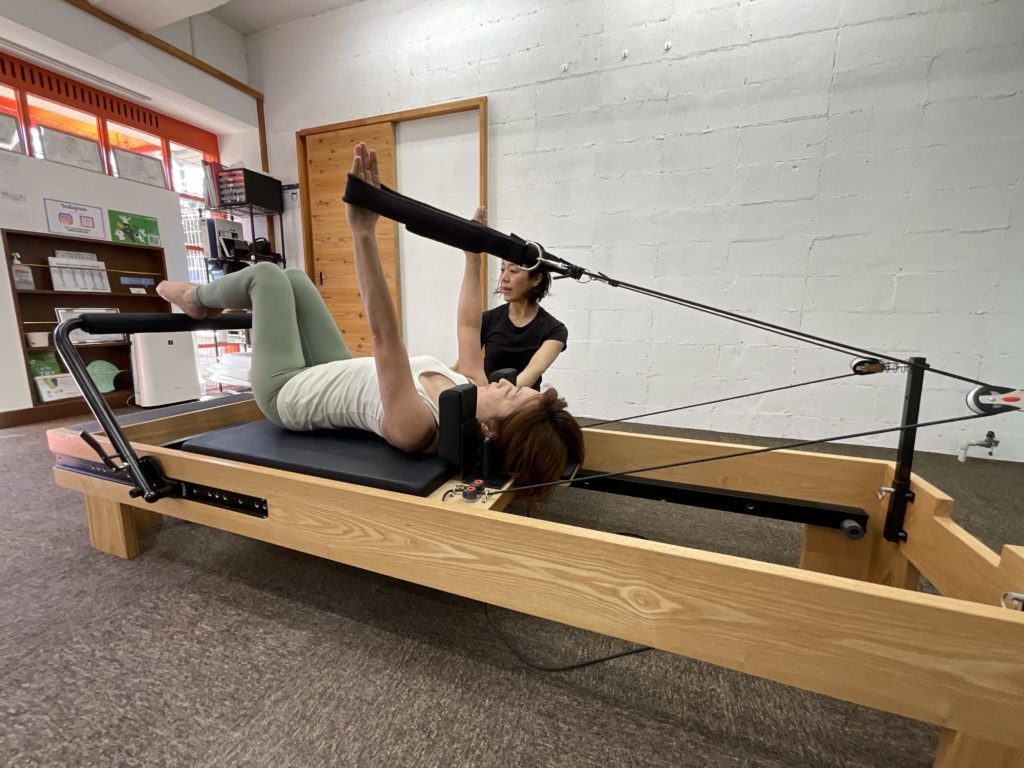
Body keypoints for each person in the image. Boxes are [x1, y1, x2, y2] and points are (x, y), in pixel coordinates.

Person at [156, 143, 583, 502]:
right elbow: (470, 327)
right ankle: (209, 299)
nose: (507, 383)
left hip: (286, 392)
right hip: (333, 368)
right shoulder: (470, 386)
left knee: (266, 276)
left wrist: (362, 233)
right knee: (296, 279)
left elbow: (384, 337)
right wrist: (473, 255)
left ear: (490, 430)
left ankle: (195, 299)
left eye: (512, 396)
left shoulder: (418, 427)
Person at [460, 207, 568, 389]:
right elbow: (463, 365)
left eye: (513, 271)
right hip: (490, 399)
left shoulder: (554, 330)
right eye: (502, 269)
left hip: (519, 403)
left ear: (536, 279)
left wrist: (493, 396)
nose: (504, 278)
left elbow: (532, 372)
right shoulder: (487, 320)